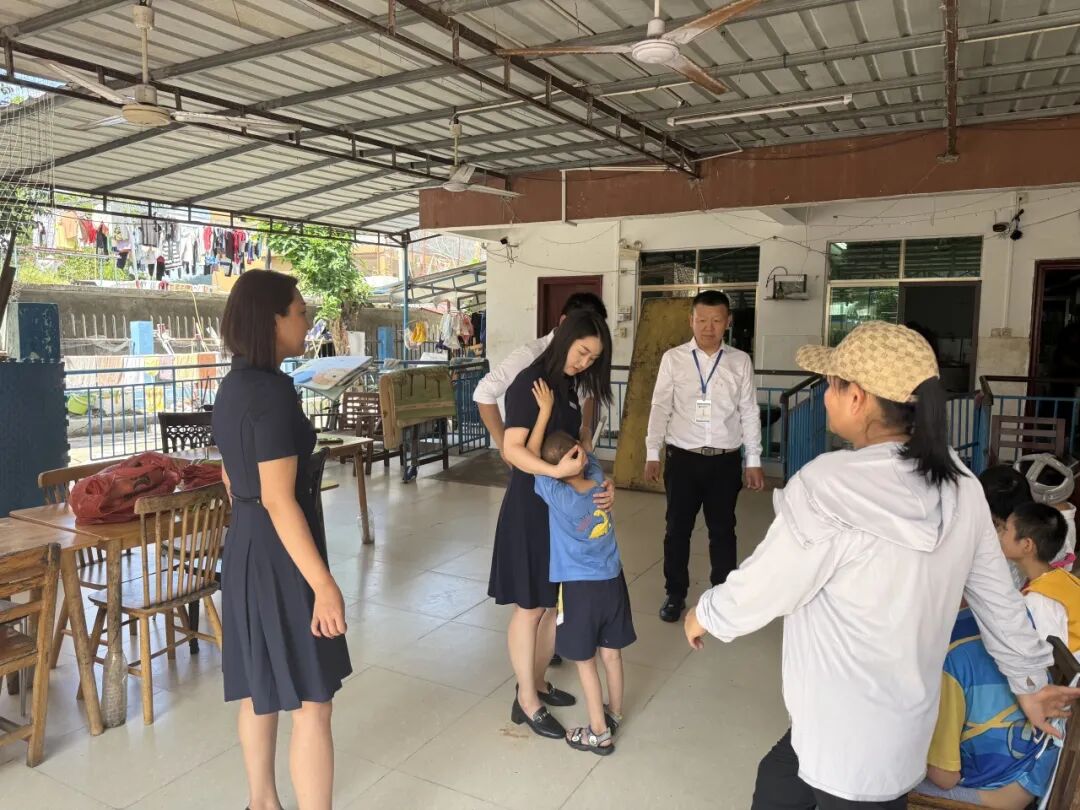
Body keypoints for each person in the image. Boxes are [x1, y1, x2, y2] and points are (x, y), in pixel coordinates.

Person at [681, 321, 1080, 809]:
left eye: (832, 385)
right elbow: (999, 600)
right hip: (894, 728)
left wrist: (706, 613)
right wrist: (1030, 683)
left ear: (857, 398)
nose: (825, 397)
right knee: (777, 783)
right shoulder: (960, 485)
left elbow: (767, 584)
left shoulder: (827, 485)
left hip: (842, 730)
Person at [213, 271, 351, 810]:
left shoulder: (232, 386)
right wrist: (323, 584)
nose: (307, 320)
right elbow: (278, 498)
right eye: (300, 311)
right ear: (272, 321)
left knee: (259, 687)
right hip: (279, 550)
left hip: (245, 544)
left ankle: (261, 802)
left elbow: (232, 477)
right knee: (314, 701)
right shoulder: (270, 393)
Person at [489, 310, 614, 740]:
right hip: (530, 508)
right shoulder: (531, 382)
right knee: (529, 607)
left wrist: (599, 483)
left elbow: (571, 448)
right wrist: (556, 473)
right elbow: (514, 450)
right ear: (564, 338)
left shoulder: (567, 386)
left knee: (548, 604)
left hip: (558, 510)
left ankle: (538, 682)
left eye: (593, 358)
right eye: (582, 352)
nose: (585, 362)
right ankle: (526, 700)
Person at [644, 289, 765, 623]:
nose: (708, 327)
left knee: (723, 530)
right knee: (676, 530)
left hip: (725, 460)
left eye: (716, 320)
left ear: (728, 322)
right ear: (691, 321)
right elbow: (660, 406)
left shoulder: (740, 361)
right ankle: (675, 593)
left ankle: (722, 595)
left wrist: (753, 460)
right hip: (682, 458)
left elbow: (748, 411)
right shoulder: (673, 359)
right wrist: (652, 451)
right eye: (701, 320)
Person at [532, 423, 635, 756]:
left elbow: (532, 463)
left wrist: (555, 465)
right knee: (611, 654)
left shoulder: (557, 493)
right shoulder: (600, 483)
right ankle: (614, 713)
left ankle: (598, 733)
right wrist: (582, 444)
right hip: (613, 581)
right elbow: (588, 457)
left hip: (579, 590)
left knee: (585, 661)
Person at [917, 607, 1059, 808]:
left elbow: (945, 777)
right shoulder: (1015, 614)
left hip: (999, 794)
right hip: (1037, 768)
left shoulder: (946, 659)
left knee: (892, 787)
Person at [474, 292, 608, 455]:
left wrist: (585, 430)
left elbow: (589, 394)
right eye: (582, 351)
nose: (585, 363)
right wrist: (506, 448)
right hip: (534, 456)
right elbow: (484, 391)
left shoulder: (585, 360)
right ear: (565, 322)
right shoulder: (531, 357)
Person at [999, 502, 1080, 655]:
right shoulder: (1062, 577)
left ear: (1026, 545)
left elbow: (1051, 659)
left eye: (1005, 529)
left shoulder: (1039, 601)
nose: (1000, 535)